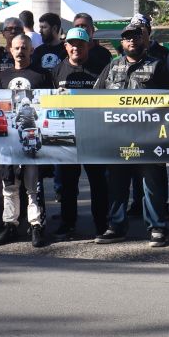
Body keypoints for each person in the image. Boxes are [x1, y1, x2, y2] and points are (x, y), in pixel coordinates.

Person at [94, 18, 169, 246]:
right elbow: (94, 96)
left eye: (136, 36)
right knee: (117, 184)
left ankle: (158, 227)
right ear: (122, 42)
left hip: (147, 136)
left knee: (152, 184)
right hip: (117, 135)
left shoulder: (157, 65)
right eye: (127, 37)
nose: (131, 40)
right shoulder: (112, 66)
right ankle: (116, 226)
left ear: (144, 39)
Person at [0, 34, 53, 248]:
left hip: (33, 138)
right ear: (10, 50)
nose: (20, 51)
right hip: (7, 140)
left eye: (24, 47)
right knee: (9, 184)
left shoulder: (42, 76)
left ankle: (36, 225)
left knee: (33, 185)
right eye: (16, 48)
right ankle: (10, 224)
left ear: (31, 50)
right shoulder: (2, 76)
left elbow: (50, 105)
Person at [51, 27, 108, 238]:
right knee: (67, 185)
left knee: (99, 183)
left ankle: (102, 224)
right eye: (72, 44)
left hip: (93, 134)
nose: (76, 48)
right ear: (66, 46)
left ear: (88, 46)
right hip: (66, 135)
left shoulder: (101, 68)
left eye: (81, 44)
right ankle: (68, 222)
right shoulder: (57, 71)